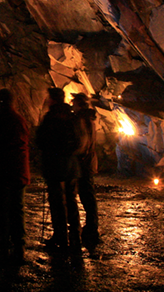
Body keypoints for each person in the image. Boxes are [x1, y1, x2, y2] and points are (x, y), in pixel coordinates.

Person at [0, 88, 30, 264]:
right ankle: (19, 247)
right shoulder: (19, 121)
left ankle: (3, 246)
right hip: (18, 172)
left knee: (1, 210)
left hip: (1, 172)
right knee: (17, 210)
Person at [36, 88, 81, 252]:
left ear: (52, 100)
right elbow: (78, 141)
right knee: (71, 200)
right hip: (70, 165)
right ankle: (76, 235)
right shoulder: (72, 118)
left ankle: (61, 236)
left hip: (54, 164)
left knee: (57, 202)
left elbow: (40, 140)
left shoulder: (50, 118)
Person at [72, 92, 100, 247]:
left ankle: (91, 227)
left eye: (74, 103)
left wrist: (75, 156)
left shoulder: (82, 120)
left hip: (84, 164)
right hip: (87, 163)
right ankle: (91, 225)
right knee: (88, 196)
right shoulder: (88, 119)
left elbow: (83, 143)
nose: (72, 106)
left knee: (87, 196)